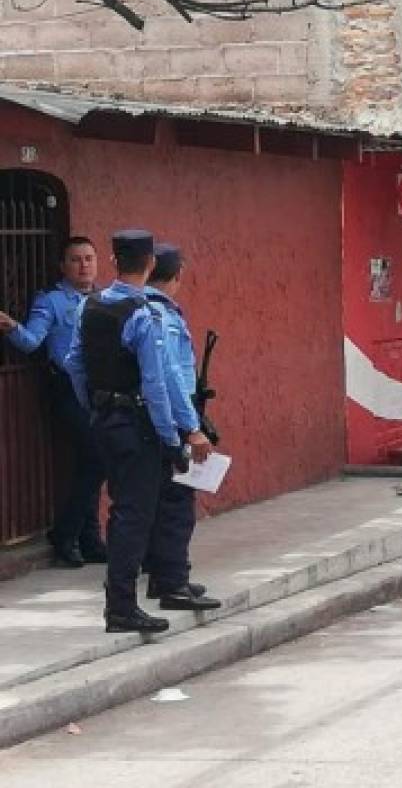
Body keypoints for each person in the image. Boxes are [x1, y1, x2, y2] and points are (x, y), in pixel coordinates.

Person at [64, 230, 209, 634]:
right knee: (133, 514)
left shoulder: (89, 306)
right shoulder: (144, 313)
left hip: (105, 419)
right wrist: (175, 435)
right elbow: (157, 382)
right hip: (137, 424)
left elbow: (74, 362)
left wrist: (94, 404)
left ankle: (124, 602)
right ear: (149, 264)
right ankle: (121, 606)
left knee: (123, 508)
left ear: (112, 261)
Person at [0, 237, 107, 567]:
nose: (84, 265)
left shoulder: (105, 298)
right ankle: (66, 533)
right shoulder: (52, 301)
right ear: (63, 266)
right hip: (66, 390)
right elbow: (32, 342)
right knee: (97, 457)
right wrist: (10, 326)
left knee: (91, 462)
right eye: (76, 260)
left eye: (89, 258)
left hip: (98, 391)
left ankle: (89, 539)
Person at [143, 244, 220, 611]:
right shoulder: (162, 316)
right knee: (176, 504)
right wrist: (190, 426)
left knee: (157, 502)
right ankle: (173, 583)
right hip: (172, 420)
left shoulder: (129, 307)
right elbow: (169, 375)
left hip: (147, 419)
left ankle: (165, 576)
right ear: (176, 277)